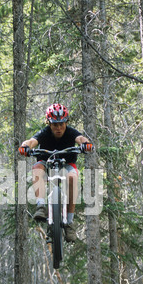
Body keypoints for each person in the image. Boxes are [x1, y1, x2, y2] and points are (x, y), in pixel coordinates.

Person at [19, 103, 93, 242]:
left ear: (66, 122)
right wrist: (25, 146)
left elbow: (81, 138)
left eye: (61, 124)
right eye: (54, 125)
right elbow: (31, 141)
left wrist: (86, 144)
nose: (58, 128)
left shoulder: (71, 132)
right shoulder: (44, 133)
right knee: (37, 169)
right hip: (46, 164)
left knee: (73, 179)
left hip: (67, 165)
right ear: (49, 123)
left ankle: (69, 223)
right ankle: (41, 206)